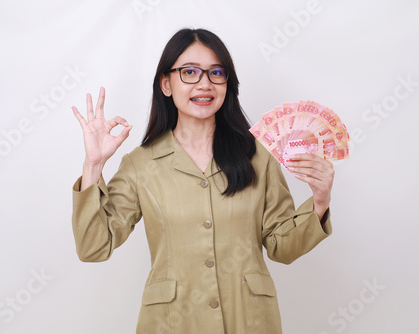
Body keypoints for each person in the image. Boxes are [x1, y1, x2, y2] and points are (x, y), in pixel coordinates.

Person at [71, 28, 334, 334]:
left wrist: (320, 201)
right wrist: (93, 165)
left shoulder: (257, 156)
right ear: (166, 84)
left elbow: (281, 248)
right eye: (190, 72)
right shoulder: (140, 165)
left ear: (227, 83)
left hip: (248, 321)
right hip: (171, 323)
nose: (204, 84)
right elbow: (93, 247)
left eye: (216, 72)